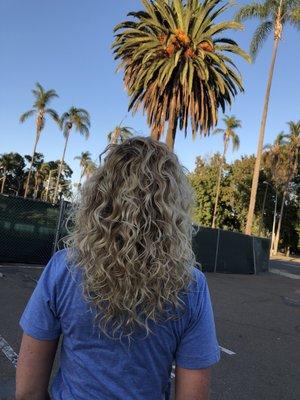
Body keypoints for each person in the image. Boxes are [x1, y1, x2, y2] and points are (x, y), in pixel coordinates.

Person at [16, 137, 220, 400]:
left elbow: (28, 392)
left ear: (100, 195)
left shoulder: (64, 268)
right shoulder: (190, 285)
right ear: (172, 207)